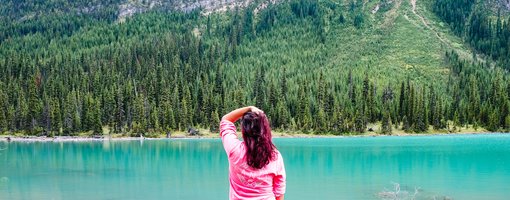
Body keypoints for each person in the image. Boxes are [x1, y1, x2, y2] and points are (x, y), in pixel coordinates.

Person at [220, 106, 286, 200]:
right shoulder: (275, 156)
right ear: (265, 130)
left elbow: (226, 120)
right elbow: (279, 191)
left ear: (244, 130)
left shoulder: (234, 149)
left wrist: (249, 108)